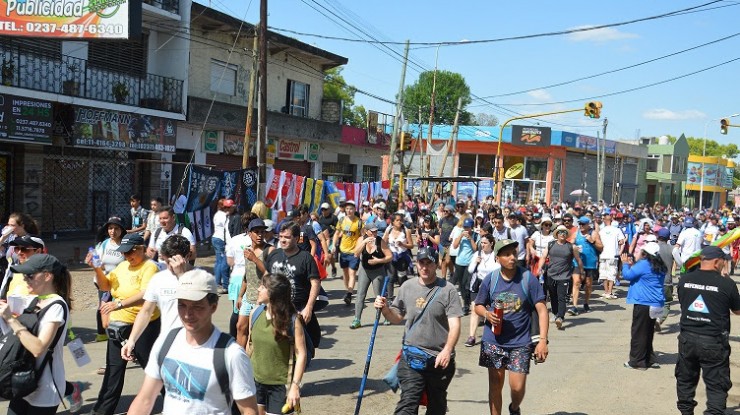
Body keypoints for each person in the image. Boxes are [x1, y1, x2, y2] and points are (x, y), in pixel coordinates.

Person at [128, 269, 258, 415]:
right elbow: (145, 399)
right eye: (182, 305)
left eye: (197, 306)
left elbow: (249, 410)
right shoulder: (166, 342)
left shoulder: (232, 354)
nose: (188, 314)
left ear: (213, 307)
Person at [374, 247, 462, 415]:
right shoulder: (407, 287)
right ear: (416, 263)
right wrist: (385, 309)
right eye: (421, 262)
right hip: (411, 357)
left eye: (429, 263)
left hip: (439, 360)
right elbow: (397, 317)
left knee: (436, 406)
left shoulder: (448, 290)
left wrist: (447, 350)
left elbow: (455, 324)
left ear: (436, 265)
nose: (424, 267)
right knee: (407, 404)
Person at [474, 239, 549, 415]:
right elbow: (478, 305)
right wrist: (486, 314)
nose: (512, 258)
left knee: (517, 388)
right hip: (493, 340)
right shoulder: (490, 280)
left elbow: (542, 310)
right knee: (495, 385)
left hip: (520, 342)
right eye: (506, 254)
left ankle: (514, 408)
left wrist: (542, 341)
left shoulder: (527, 278)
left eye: (514, 253)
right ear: (497, 258)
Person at [90, 234, 161, 415]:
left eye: (130, 252)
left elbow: (146, 293)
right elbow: (105, 286)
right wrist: (97, 269)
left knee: (152, 367)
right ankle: (102, 411)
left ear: (141, 249)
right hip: (119, 326)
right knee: (114, 370)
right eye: (124, 252)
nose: (127, 256)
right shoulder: (122, 266)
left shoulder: (150, 267)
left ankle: (175, 401)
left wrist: (118, 304)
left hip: (145, 326)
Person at [1, 254, 71, 415]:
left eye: (30, 275)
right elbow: (18, 338)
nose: (25, 279)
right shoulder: (35, 301)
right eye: (24, 275)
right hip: (22, 380)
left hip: (45, 387)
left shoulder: (56, 306)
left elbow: (38, 348)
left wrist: (11, 320)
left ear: (47, 276)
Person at [675, 245, 740, 415]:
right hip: (713, 341)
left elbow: (683, 303)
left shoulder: (684, 280)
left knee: (685, 380)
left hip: (687, 339)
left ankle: (686, 412)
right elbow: (737, 310)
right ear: (717, 262)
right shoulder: (726, 284)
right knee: (717, 385)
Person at [120, 235, 193, 362]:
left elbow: (195, 307)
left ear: (187, 257)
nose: (170, 266)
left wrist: (181, 276)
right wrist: (131, 340)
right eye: (166, 261)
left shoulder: (201, 278)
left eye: (174, 261)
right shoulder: (159, 279)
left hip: (193, 343)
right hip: (167, 343)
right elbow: (146, 311)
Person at [248, 273, 307, 415]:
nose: (258, 289)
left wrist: (295, 386)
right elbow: (250, 347)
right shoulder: (255, 314)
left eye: (263, 287)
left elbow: (302, 354)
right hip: (255, 382)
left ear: (272, 293)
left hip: (280, 386)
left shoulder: (292, 320)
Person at [265, 222, 322, 348]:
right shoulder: (274, 255)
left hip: (298, 309)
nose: (282, 240)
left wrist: (309, 307)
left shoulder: (305, 258)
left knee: (303, 346)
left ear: (297, 238)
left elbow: (315, 283)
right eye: (280, 237)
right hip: (275, 308)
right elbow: (266, 277)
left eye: (287, 237)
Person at [620, 241, 665, 370]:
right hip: (656, 303)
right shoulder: (660, 265)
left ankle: (637, 361)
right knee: (648, 332)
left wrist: (625, 264)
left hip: (644, 303)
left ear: (645, 253)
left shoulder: (644, 264)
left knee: (638, 332)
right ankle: (647, 358)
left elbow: (628, 275)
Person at [234, 218, 274, 345]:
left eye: (262, 231)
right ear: (249, 233)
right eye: (256, 232)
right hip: (248, 297)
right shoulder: (247, 249)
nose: (260, 235)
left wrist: (255, 259)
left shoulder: (270, 250)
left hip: (262, 298)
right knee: (240, 327)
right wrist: (240, 296)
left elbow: (270, 273)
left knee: (256, 332)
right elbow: (247, 274)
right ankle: (240, 357)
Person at [88, 217, 127, 344]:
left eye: (116, 228)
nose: (113, 231)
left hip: (120, 284)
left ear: (121, 230)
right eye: (110, 228)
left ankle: (120, 335)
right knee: (103, 307)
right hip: (104, 282)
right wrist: (97, 265)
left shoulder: (126, 245)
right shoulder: (104, 244)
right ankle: (102, 333)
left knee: (118, 308)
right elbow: (97, 261)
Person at [538, 225, 582, 330]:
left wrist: (581, 271)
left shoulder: (571, 247)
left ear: (567, 235)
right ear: (557, 234)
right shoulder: (550, 245)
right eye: (560, 232)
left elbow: (578, 259)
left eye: (564, 232)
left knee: (562, 297)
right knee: (553, 296)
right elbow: (543, 257)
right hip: (551, 274)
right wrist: (540, 268)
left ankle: (560, 317)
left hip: (564, 276)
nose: (562, 234)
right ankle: (555, 313)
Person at [350, 221, 391, 329]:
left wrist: (378, 260)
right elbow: (355, 254)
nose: (374, 234)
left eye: (376, 231)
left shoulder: (380, 241)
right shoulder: (361, 239)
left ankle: (386, 316)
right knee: (360, 295)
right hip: (365, 270)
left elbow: (389, 256)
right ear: (366, 232)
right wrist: (364, 243)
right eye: (372, 232)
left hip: (378, 271)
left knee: (379, 296)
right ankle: (357, 319)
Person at [465, 234, 498, 347]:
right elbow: (470, 270)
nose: (483, 245)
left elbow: (498, 269)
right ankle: (471, 336)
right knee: (474, 309)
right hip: (477, 284)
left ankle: (490, 336)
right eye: (482, 243)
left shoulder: (495, 255)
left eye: (485, 243)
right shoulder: (477, 254)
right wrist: (476, 262)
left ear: (491, 243)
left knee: (490, 310)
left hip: (491, 283)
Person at [570, 216, 603, 315]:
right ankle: (574, 306)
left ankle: (586, 303)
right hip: (577, 262)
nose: (581, 226)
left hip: (590, 263)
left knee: (588, 285)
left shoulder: (594, 233)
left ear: (588, 225)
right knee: (576, 282)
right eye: (580, 224)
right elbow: (570, 244)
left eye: (583, 224)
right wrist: (573, 246)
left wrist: (592, 241)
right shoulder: (576, 233)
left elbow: (601, 248)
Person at [331, 200, 362, 306]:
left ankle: (349, 294)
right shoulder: (341, 220)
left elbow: (362, 236)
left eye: (351, 208)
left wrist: (360, 248)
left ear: (355, 209)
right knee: (345, 273)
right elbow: (336, 233)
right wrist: (333, 245)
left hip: (354, 252)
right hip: (343, 251)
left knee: (352, 273)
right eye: (347, 208)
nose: (349, 210)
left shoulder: (359, 222)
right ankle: (348, 291)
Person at [451, 217, 478, 315]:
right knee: (461, 285)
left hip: (469, 263)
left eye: (468, 227)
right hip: (459, 262)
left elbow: (476, 249)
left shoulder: (475, 235)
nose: (466, 229)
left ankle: (466, 306)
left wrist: (470, 239)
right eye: (465, 227)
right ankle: (465, 302)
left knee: (466, 284)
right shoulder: (460, 234)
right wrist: (461, 236)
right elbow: (454, 246)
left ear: (472, 227)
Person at [597, 212, 625, 299]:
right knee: (612, 274)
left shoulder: (601, 231)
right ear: (611, 220)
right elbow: (622, 241)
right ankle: (610, 292)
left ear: (604, 220)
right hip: (613, 254)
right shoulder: (617, 230)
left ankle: (606, 292)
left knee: (604, 274)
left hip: (603, 254)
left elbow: (598, 242)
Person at [385, 213, 414, 288]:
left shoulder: (405, 231)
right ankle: (390, 298)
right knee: (391, 277)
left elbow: (411, 246)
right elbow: (383, 242)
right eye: (397, 220)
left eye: (400, 220)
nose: (399, 222)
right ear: (393, 222)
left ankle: (404, 295)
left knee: (401, 279)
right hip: (392, 257)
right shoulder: (389, 230)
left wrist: (403, 244)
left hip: (402, 257)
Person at [213, 198, 235, 294]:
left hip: (216, 238)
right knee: (222, 262)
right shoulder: (223, 215)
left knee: (218, 261)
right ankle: (220, 283)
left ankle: (217, 282)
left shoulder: (217, 214)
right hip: (221, 239)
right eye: (225, 206)